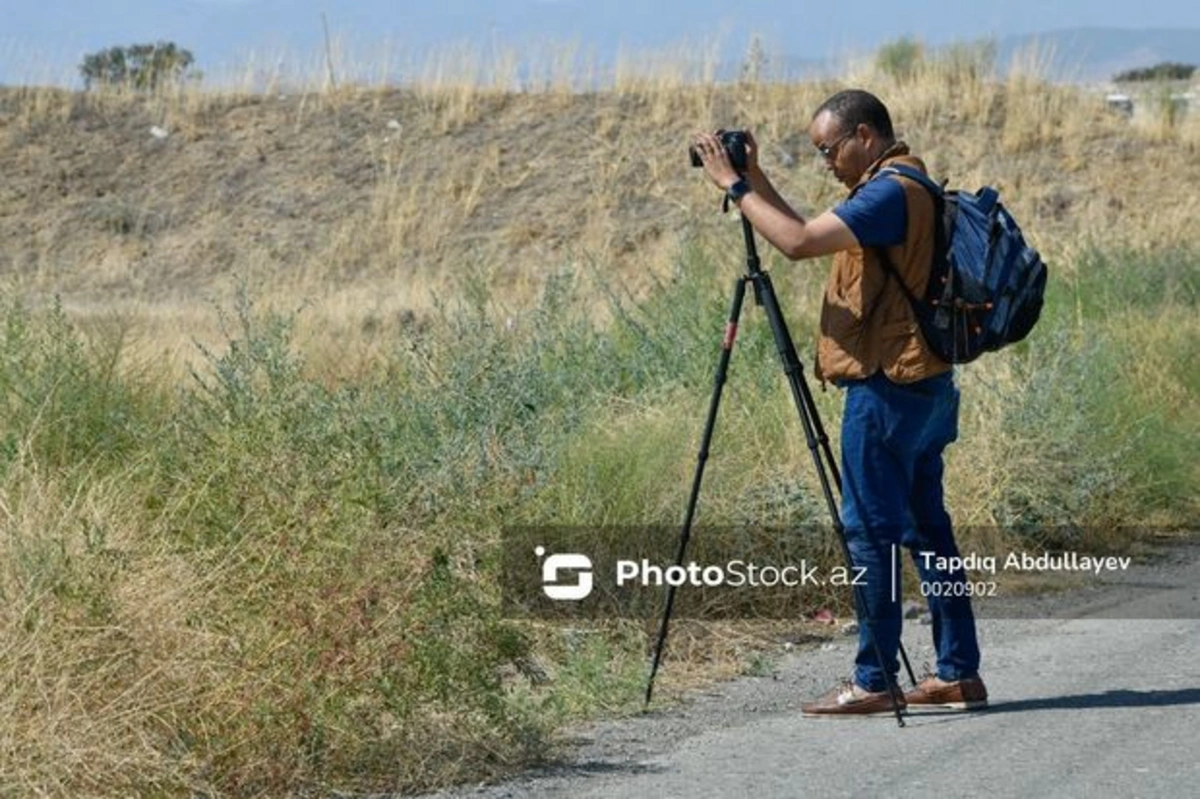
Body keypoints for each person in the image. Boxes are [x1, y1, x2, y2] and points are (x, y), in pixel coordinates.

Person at [692, 89, 988, 717]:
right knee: (927, 529)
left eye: (830, 149)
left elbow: (797, 243)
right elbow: (807, 228)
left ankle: (875, 678)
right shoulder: (904, 185)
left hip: (886, 388)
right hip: (925, 383)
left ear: (865, 135)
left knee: (869, 534)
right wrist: (756, 177)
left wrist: (733, 187)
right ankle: (957, 672)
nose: (826, 160)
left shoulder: (887, 193)